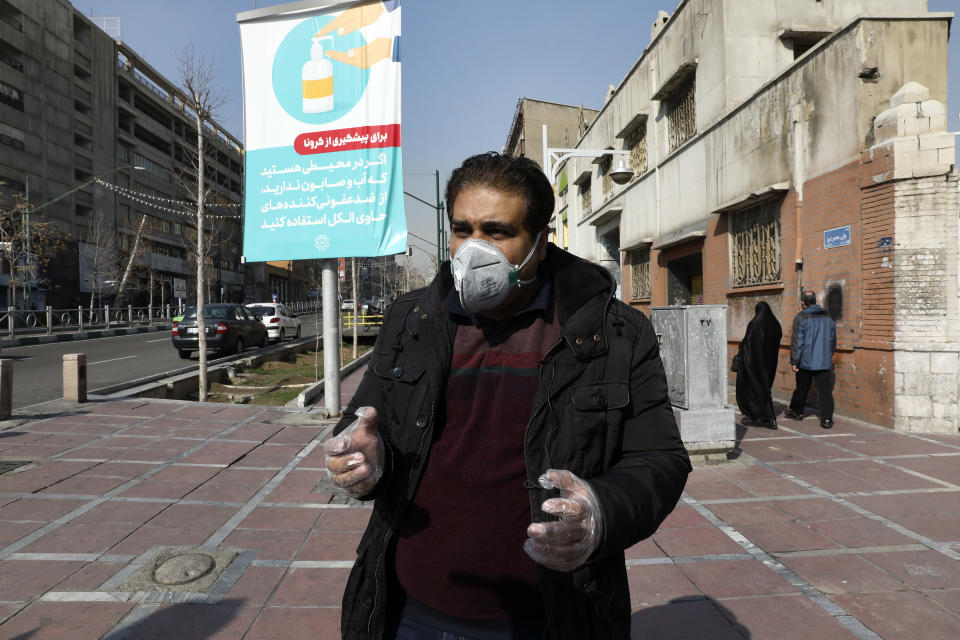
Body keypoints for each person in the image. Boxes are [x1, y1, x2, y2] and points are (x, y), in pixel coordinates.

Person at [323, 152, 691, 640]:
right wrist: (364, 458)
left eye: (497, 232)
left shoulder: (613, 333)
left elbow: (659, 458)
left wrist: (601, 511)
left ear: (541, 241)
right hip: (412, 611)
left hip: (553, 617)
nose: (475, 249)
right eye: (462, 229)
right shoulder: (412, 318)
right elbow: (366, 421)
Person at [785, 290, 837, 428]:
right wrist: (829, 354)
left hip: (805, 361)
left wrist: (794, 361)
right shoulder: (828, 317)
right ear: (814, 301)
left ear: (803, 303)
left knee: (802, 388)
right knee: (825, 391)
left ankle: (796, 412)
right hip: (824, 360)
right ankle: (826, 419)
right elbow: (832, 340)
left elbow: (797, 342)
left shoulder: (800, 317)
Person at [734, 301, 782, 428]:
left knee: (757, 389)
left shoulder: (755, 324)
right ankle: (760, 415)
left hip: (755, 363)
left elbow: (748, 344)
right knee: (764, 387)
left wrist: (743, 357)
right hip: (770, 363)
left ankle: (769, 417)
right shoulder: (775, 324)